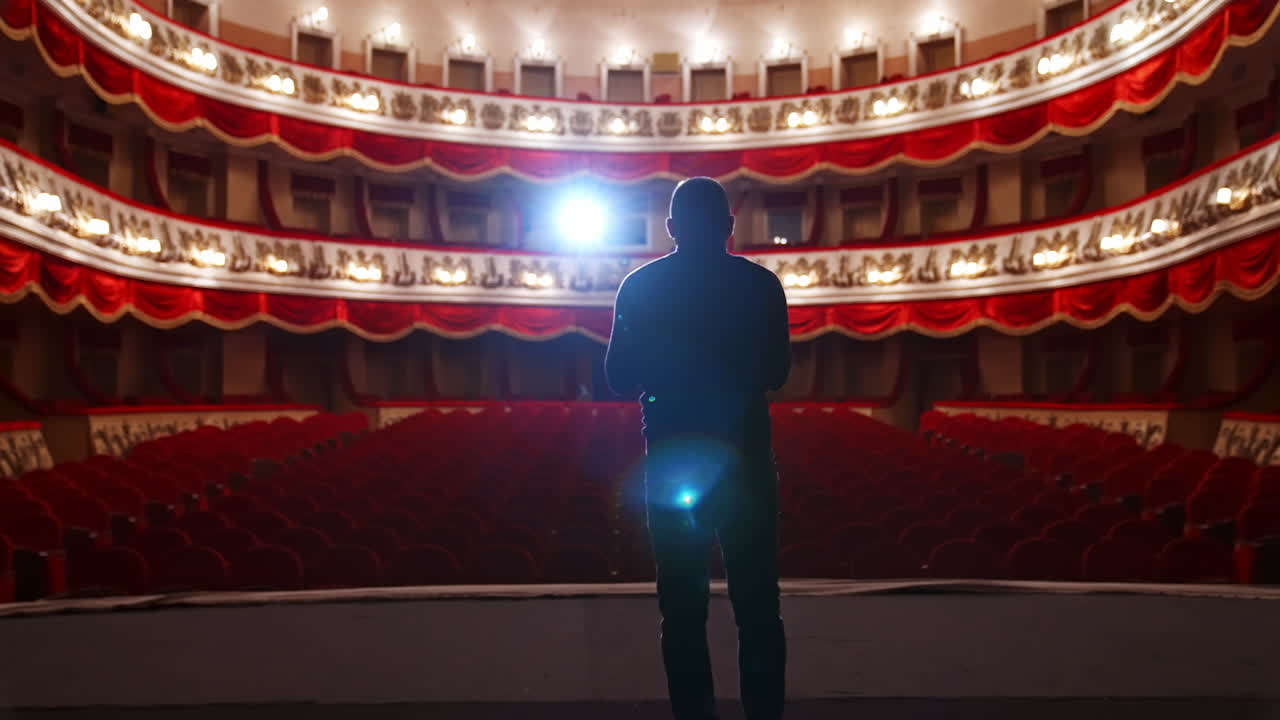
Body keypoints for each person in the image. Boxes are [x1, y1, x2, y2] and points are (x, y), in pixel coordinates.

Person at [605, 176, 791, 720]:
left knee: (681, 613)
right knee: (758, 607)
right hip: (746, 463)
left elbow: (618, 377)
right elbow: (777, 372)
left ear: (670, 229)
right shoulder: (761, 286)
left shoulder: (640, 287)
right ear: (729, 227)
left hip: (671, 463)